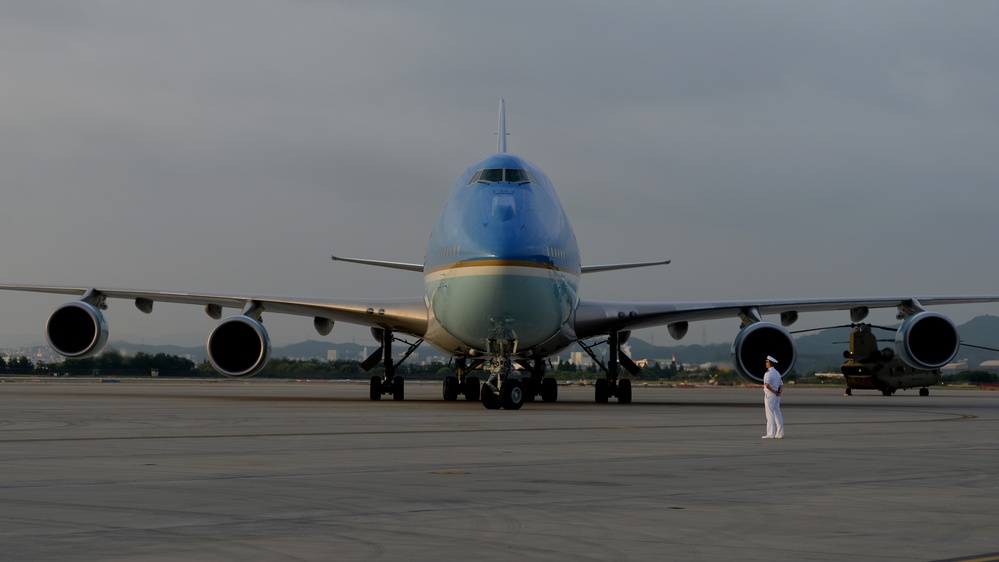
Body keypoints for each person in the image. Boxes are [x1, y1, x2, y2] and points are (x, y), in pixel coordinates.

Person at [762, 355, 784, 439]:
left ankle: (771, 433)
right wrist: (779, 392)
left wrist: (774, 392)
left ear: (769, 363)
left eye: (766, 362)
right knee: (777, 413)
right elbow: (781, 385)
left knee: (770, 414)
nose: (766, 364)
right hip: (776, 396)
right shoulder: (777, 373)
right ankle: (780, 433)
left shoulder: (768, 373)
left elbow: (767, 385)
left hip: (770, 395)